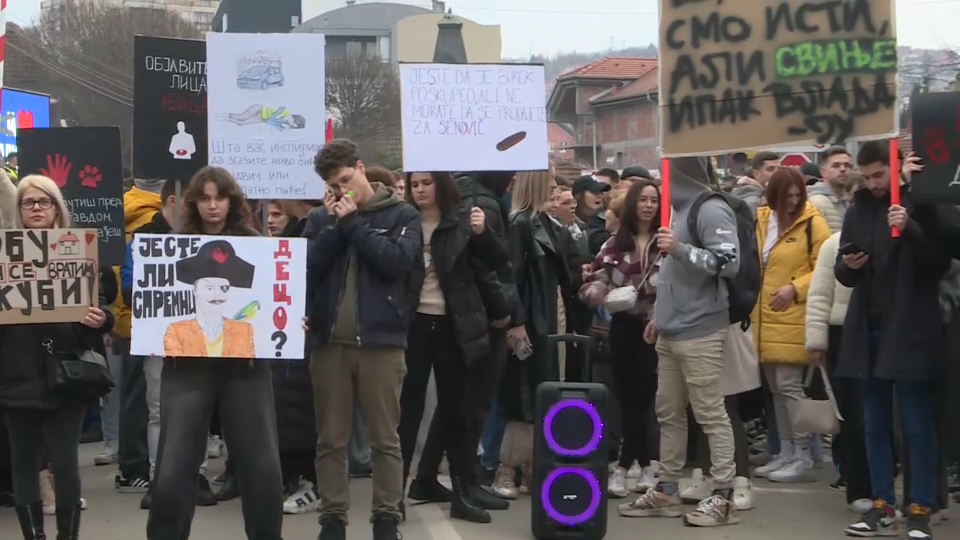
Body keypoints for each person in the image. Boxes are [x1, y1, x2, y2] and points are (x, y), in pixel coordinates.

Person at [146, 167, 283, 540]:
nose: (212, 206)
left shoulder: (254, 242)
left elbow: (277, 300)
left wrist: (290, 321)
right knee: (174, 464)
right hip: (186, 365)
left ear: (231, 201)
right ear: (193, 202)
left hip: (246, 367)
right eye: (204, 198)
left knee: (262, 463)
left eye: (219, 197)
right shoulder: (175, 243)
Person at [304, 139, 420, 540]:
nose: (343, 191)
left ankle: (386, 515)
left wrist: (354, 223)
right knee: (330, 439)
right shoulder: (322, 219)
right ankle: (332, 516)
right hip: (330, 343)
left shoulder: (402, 213)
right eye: (335, 186)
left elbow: (397, 263)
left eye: (347, 179)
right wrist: (337, 224)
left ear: (361, 167)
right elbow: (310, 269)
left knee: (385, 437)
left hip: (382, 342)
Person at [836, 141, 948, 540]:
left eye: (879, 175)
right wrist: (848, 265)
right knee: (874, 423)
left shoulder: (923, 199)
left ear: (895, 166)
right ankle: (882, 505)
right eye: (866, 178)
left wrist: (911, 223)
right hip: (868, 328)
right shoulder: (859, 207)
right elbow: (843, 271)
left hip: (912, 327)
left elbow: (939, 262)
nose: (873, 184)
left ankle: (919, 507)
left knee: (917, 425)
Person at [621, 157, 741, 527]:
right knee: (668, 412)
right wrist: (660, 314)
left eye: (665, 173)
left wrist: (681, 249)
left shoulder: (711, 209)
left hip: (702, 328)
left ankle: (723, 494)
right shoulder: (680, 210)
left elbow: (728, 262)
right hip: (672, 329)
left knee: (709, 412)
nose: (660, 183)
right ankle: (668, 487)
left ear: (682, 173)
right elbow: (672, 273)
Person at [1, 175, 114, 540]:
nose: (36, 208)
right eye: (28, 202)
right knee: (24, 463)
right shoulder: (4, 254)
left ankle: (68, 536)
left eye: (43, 201)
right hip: (15, 374)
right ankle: (33, 535)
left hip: (69, 374)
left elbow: (103, 304)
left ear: (57, 207)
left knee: (66, 463)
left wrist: (102, 319)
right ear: (18, 209)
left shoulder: (82, 249)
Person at [398, 171, 511, 524]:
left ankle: (463, 492)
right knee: (406, 412)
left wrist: (483, 233)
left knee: (457, 411)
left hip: (452, 325)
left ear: (440, 185)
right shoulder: (403, 222)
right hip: (413, 325)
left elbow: (498, 262)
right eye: (414, 184)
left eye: (426, 183)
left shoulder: (461, 219)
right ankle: (393, 497)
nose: (420, 190)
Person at [119, 179, 216, 509]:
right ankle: (160, 477)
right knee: (159, 409)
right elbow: (129, 287)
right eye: (194, 202)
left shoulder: (201, 238)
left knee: (198, 406)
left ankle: (198, 475)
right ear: (174, 201)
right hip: (158, 338)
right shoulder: (142, 240)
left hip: (199, 336)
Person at [579, 180, 662, 499]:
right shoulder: (614, 244)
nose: (648, 205)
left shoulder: (665, 241)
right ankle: (641, 464)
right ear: (631, 205)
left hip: (656, 328)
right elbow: (590, 285)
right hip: (624, 327)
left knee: (647, 398)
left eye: (654, 200)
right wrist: (605, 296)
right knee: (628, 398)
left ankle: (628, 465)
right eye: (642, 199)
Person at [492, 170, 571, 499]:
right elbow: (510, 276)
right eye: (550, 185)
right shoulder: (520, 223)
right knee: (526, 392)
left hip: (553, 315)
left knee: (547, 390)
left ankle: (531, 464)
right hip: (533, 317)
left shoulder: (548, 224)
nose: (555, 191)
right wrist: (517, 321)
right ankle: (507, 467)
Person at [750, 167, 830, 483]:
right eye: (788, 197)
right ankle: (784, 451)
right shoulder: (761, 220)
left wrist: (794, 287)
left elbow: (824, 269)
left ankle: (803, 455)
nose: (794, 202)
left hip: (793, 313)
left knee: (789, 386)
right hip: (764, 316)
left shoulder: (813, 223)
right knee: (775, 390)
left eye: (798, 196)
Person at [807, 146, 853, 233]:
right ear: (823, 172)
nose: (843, 169)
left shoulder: (848, 201)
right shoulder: (816, 202)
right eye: (836, 166)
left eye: (847, 165)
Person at [733, 151, 780, 216]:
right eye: (770, 169)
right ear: (756, 174)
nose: (777, 173)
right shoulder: (754, 202)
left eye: (779, 169)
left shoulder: (762, 196)